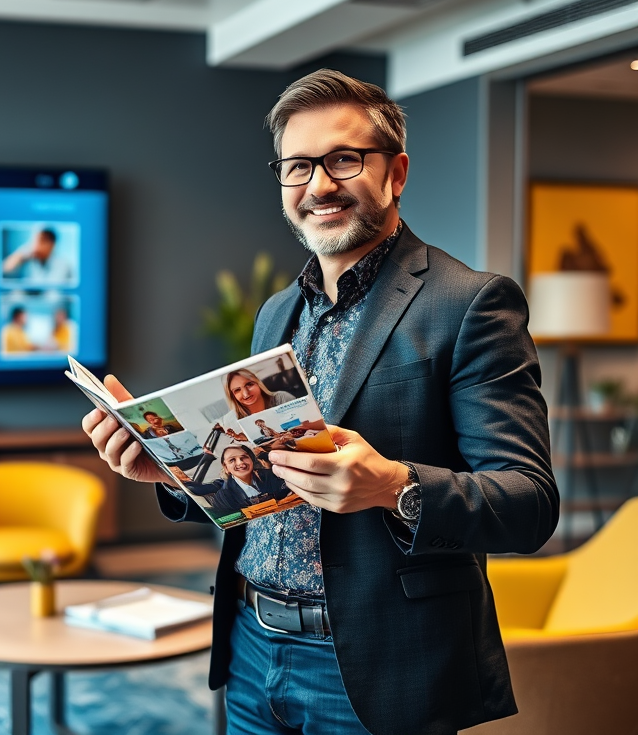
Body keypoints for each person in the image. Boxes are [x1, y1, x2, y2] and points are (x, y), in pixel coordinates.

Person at [82, 69, 556, 735]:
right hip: (252, 648)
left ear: (396, 173)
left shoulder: (470, 304)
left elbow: (529, 505)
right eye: (299, 166)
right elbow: (264, 488)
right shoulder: (277, 313)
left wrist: (392, 485)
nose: (320, 185)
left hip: (378, 664)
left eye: (344, 159)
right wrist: (173, 471)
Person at [205, 444, 289, 512]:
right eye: (232, 460)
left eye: (244, 457)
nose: (240, 462)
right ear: (226, 467)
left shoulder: (272, 475)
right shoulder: (223, 497)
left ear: (252, 460)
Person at [2, 228, 74, 285]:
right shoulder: (27, 257)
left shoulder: (64, 265)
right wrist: (22, 255)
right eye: (35, 240)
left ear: (52, 244)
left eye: (41, 241)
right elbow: (4, 270)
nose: (36, 245)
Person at [223, 368, 295, 418]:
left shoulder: (282, 398)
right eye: (237, 390)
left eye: (249, 384)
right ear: (232, 396)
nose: (246, 394)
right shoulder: (232, 419)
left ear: (258, 383)